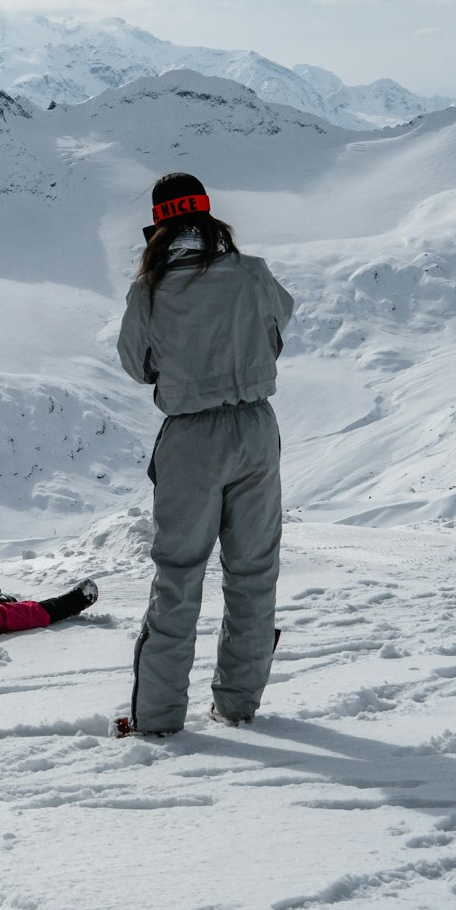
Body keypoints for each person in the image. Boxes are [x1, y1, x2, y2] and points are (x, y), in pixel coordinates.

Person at [114, 172, 294, 735]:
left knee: (179, 576)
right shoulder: (252, 273)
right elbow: (277, 331)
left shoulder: (151, 288)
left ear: (160, 225)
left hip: (191, 435)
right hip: (257, 429)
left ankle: (159, 718)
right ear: (209, 217)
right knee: (253, 572)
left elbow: (134, 363)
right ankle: (239, 705)